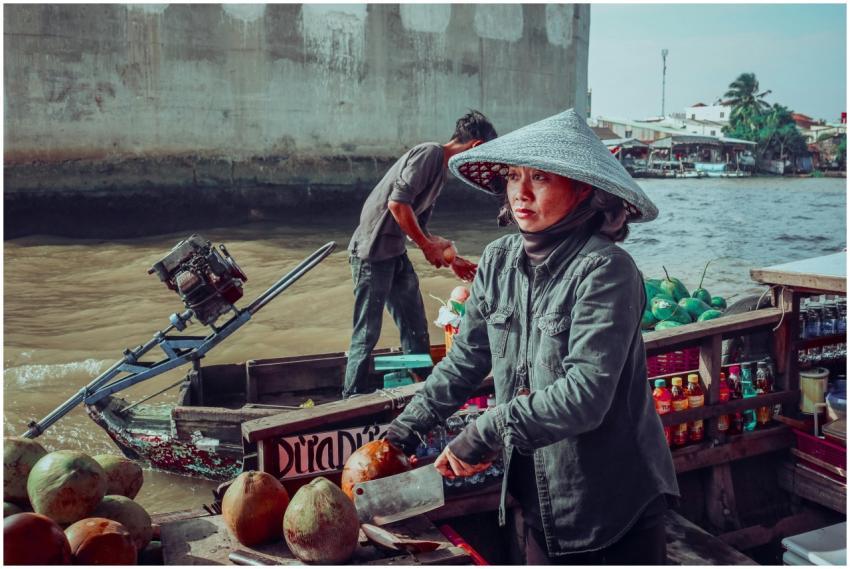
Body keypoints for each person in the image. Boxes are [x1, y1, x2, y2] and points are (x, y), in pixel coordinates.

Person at [386, 109, 679, 564]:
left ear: (584, 189)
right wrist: (401, 434)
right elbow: (466, 360)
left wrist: (487, 429)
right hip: (532, 494)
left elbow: (585, 395)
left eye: (539, 178)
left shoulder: (606, 270)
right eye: (512, 176)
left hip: (608, 501)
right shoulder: (499, 260)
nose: (520, 193)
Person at [343, 111, 498, 399]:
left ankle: (424, 390)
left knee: (416, 328)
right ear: (476, 147)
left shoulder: (440, 172)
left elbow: (420, 227)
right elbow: (397, 205)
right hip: (371, 254)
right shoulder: (430, 153)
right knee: (366, 334)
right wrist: (427, 247)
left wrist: (453, 259)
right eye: (483, 157)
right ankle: (349, 400)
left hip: (394, 254)